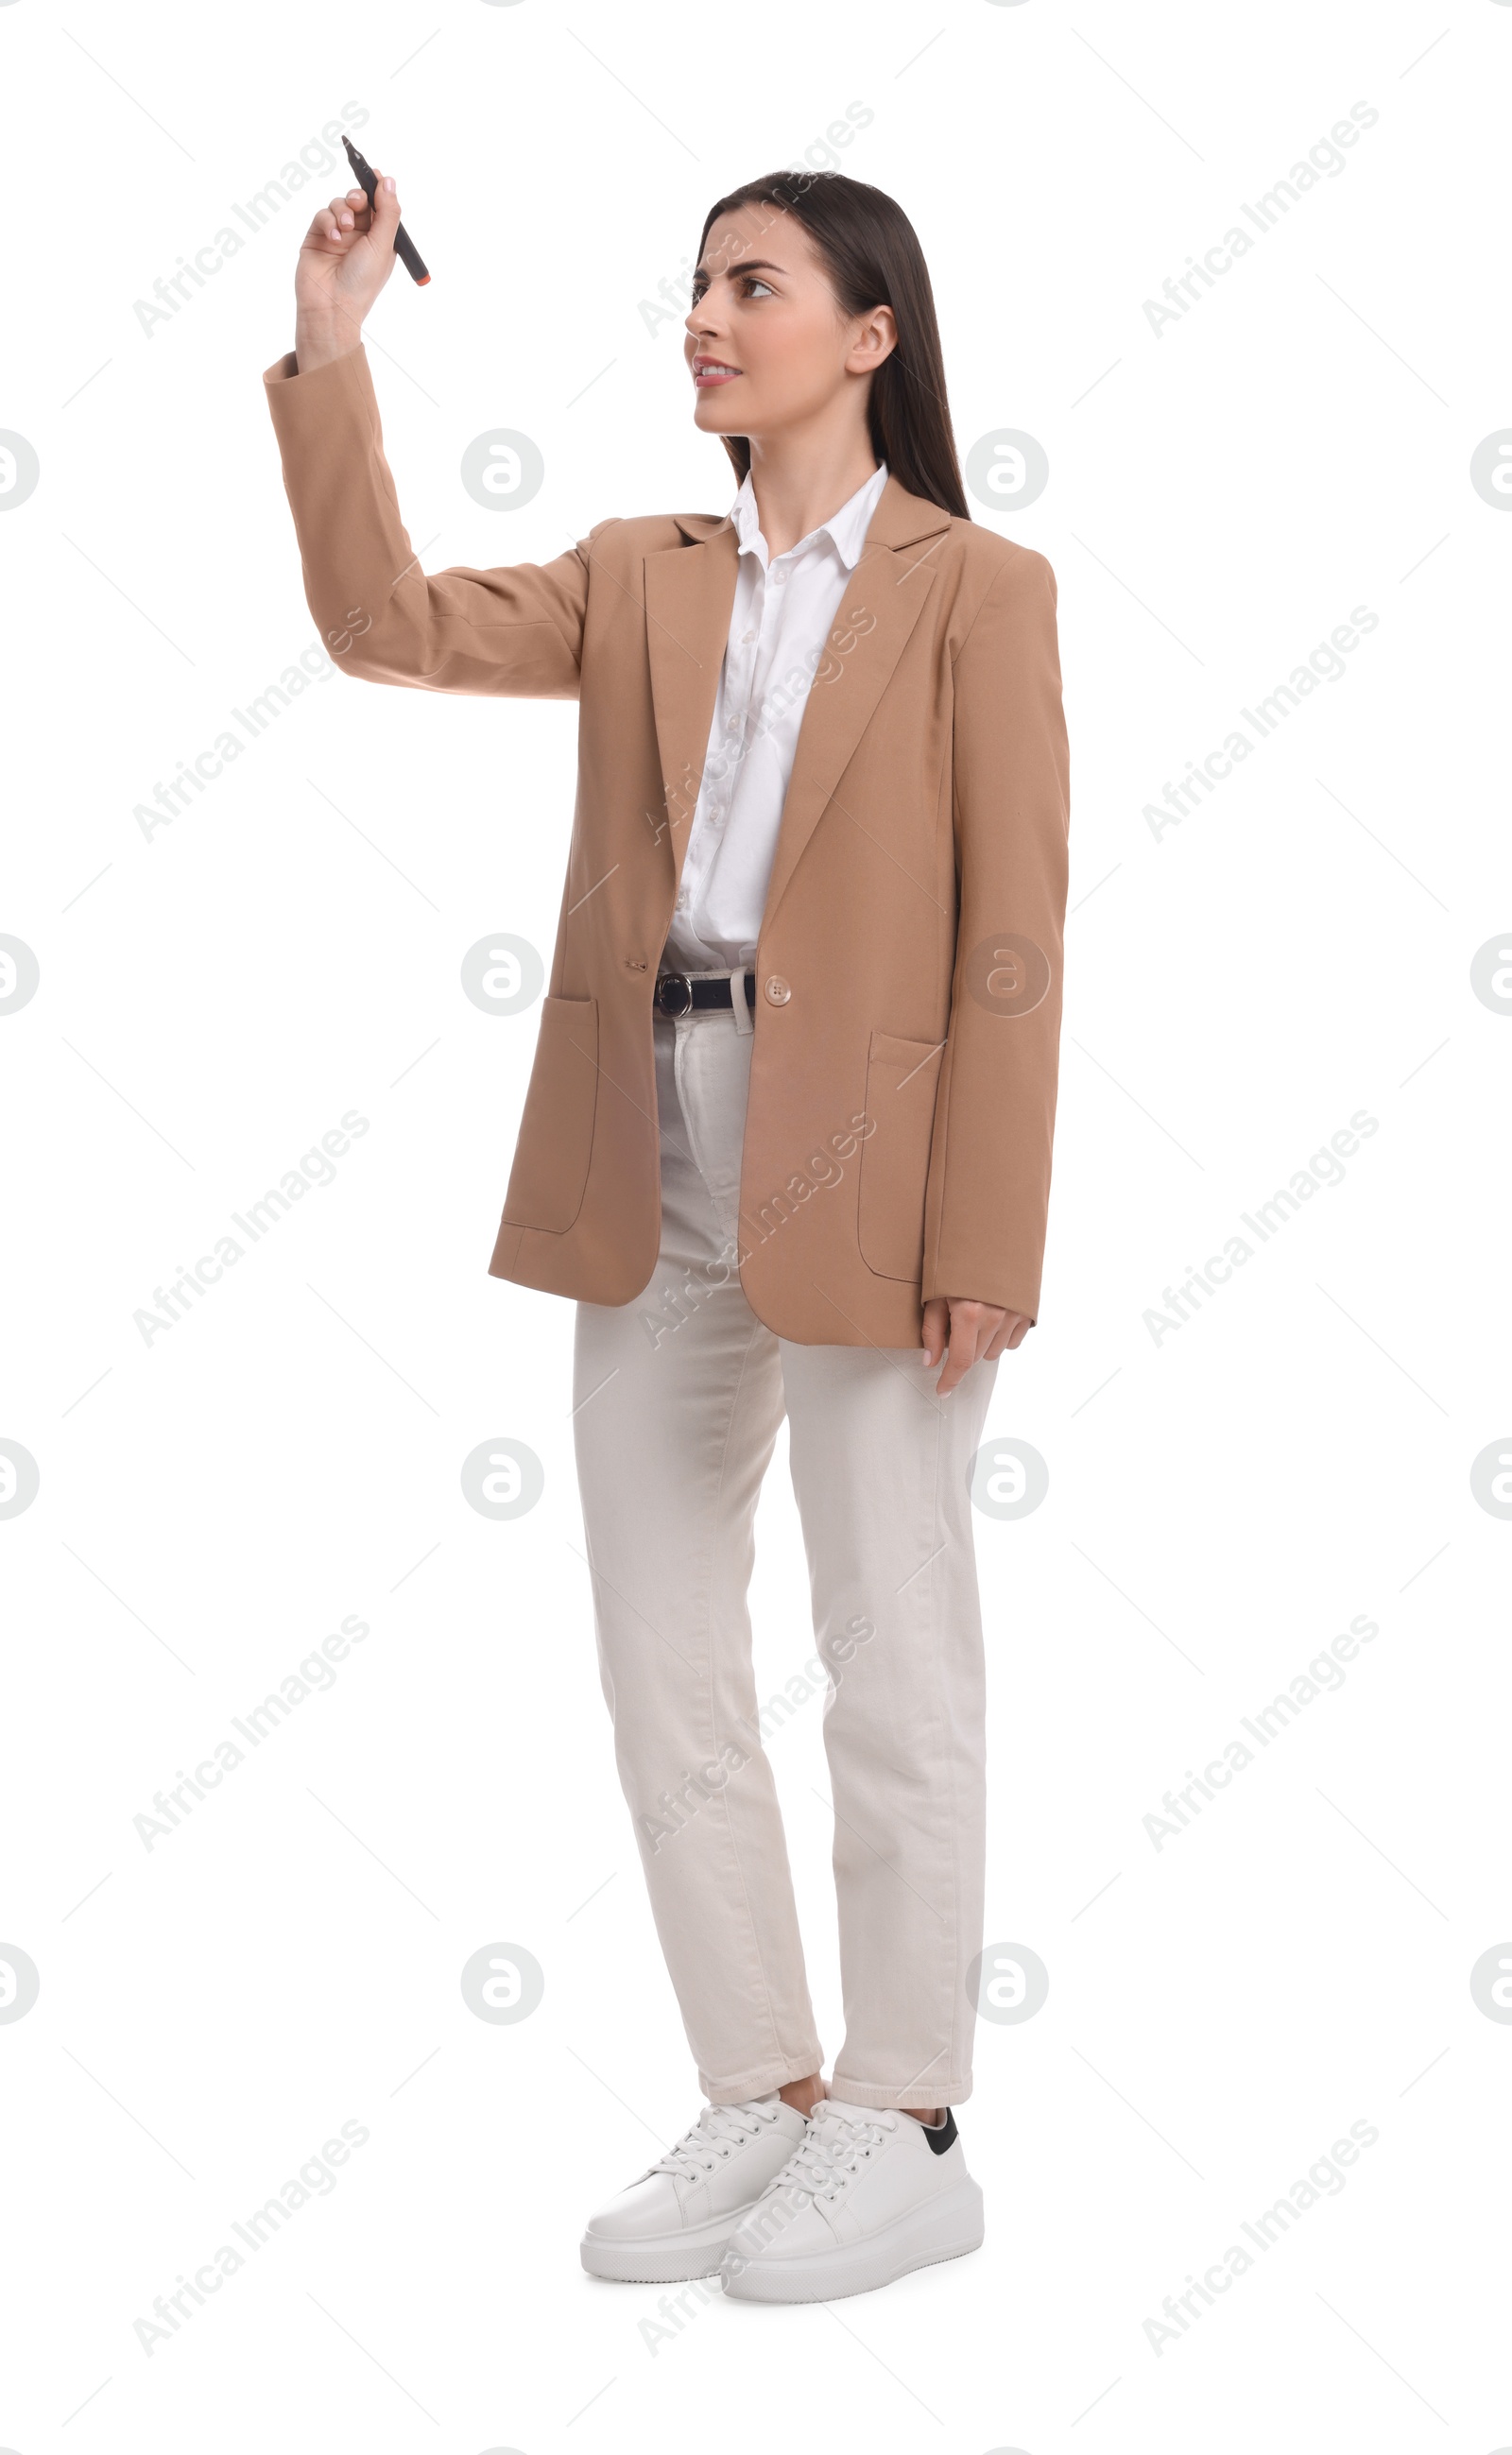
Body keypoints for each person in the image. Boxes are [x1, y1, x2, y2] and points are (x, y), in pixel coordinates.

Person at [265, 161, 1069, 2305]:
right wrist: (336, 358)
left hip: (882, 1177)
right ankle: (762, 2091)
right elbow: (386, 627)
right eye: (697, 283)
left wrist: (988, 1222)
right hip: (654, 1150)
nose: (704, 315)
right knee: (659, 1654)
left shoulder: (977, 593)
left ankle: (904, 2117)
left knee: (893, 1654)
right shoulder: (644, 574)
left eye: (751, 282)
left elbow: (1016, 931)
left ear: (867, 333)